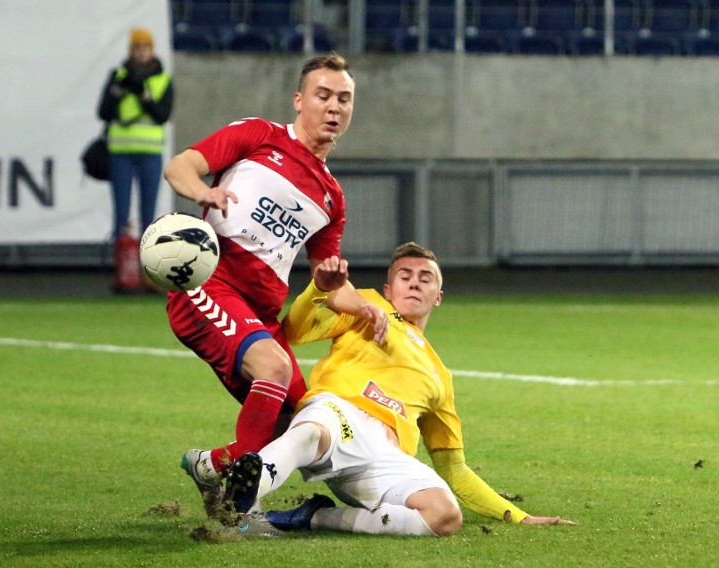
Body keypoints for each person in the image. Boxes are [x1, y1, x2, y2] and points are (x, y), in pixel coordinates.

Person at [223, 243, 575, 536]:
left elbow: (454, 470)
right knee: (312, 433)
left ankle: (313, 517)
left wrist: (518, 515)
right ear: (389, 290)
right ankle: (242, 503)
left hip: (385, 459)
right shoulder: (369, 307)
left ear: (438, 296)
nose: (415, 284)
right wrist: (319, 289)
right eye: (405, 277)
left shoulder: (440, 376)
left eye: (426, 279)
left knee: (444, 516)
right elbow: (296, 330)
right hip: (339, 413)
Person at [165, 54, 356, 516]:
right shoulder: (260, 136)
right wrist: (203, 192)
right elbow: (179, 166)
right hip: (209, 286)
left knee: (300, 422)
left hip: (260, 315)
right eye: (323, 95)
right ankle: (236, 511)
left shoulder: (332, 197)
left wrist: (359, 301)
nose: (334, 106)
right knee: (274, 369)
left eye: (344, 99)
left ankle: (210, 466)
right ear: (299, 100)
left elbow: (330, 281)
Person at [97, 27, 174, 291]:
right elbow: (103, 112)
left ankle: (148, 275)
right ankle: (123, 273)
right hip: (120, 152)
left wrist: (145, 97)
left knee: (148, 214)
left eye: (146, 47)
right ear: (131, 51)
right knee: (121, 213)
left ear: (152, 50)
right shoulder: (118, 76)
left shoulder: (162, 79)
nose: (141, 52)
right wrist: (117, 91)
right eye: (137, 48)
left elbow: (163, 115)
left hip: (150, 152)